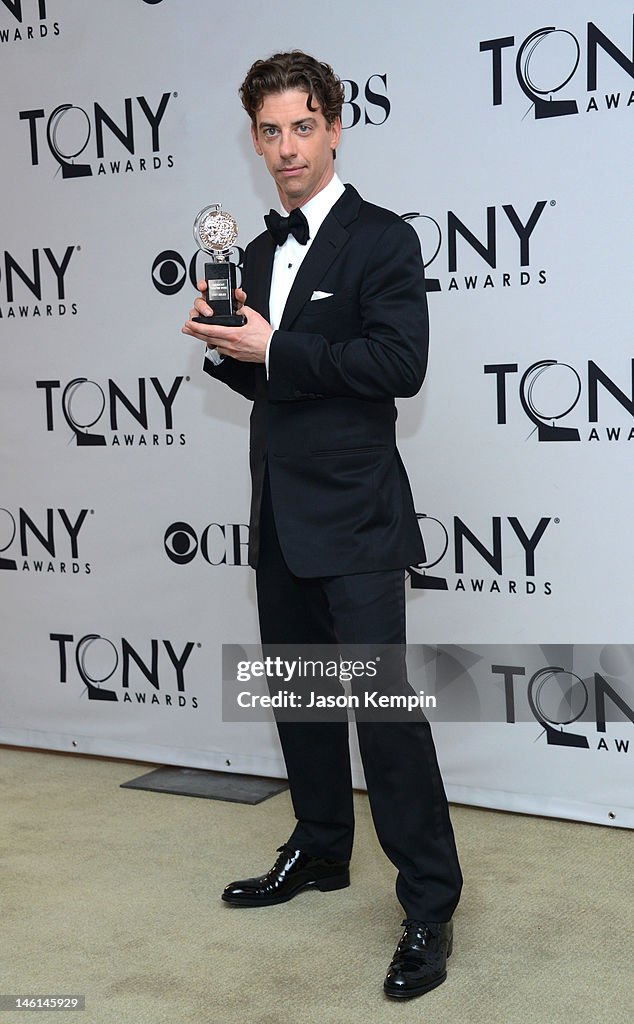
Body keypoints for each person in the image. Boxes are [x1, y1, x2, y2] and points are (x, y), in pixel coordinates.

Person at [182, 50, 462, 1000]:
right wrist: (231, 348)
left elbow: (398, 364)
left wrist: (277, 345)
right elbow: (278, 376)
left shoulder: (383, 240)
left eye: (303, 126)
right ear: (255, 139)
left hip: (358, 518)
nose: (287, 147)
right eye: (270, 130)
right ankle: (322, 849)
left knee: (383, 721)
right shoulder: (256, 252)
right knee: (302, 704)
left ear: (336, 127)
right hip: (281, 513)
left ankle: (429, 903)